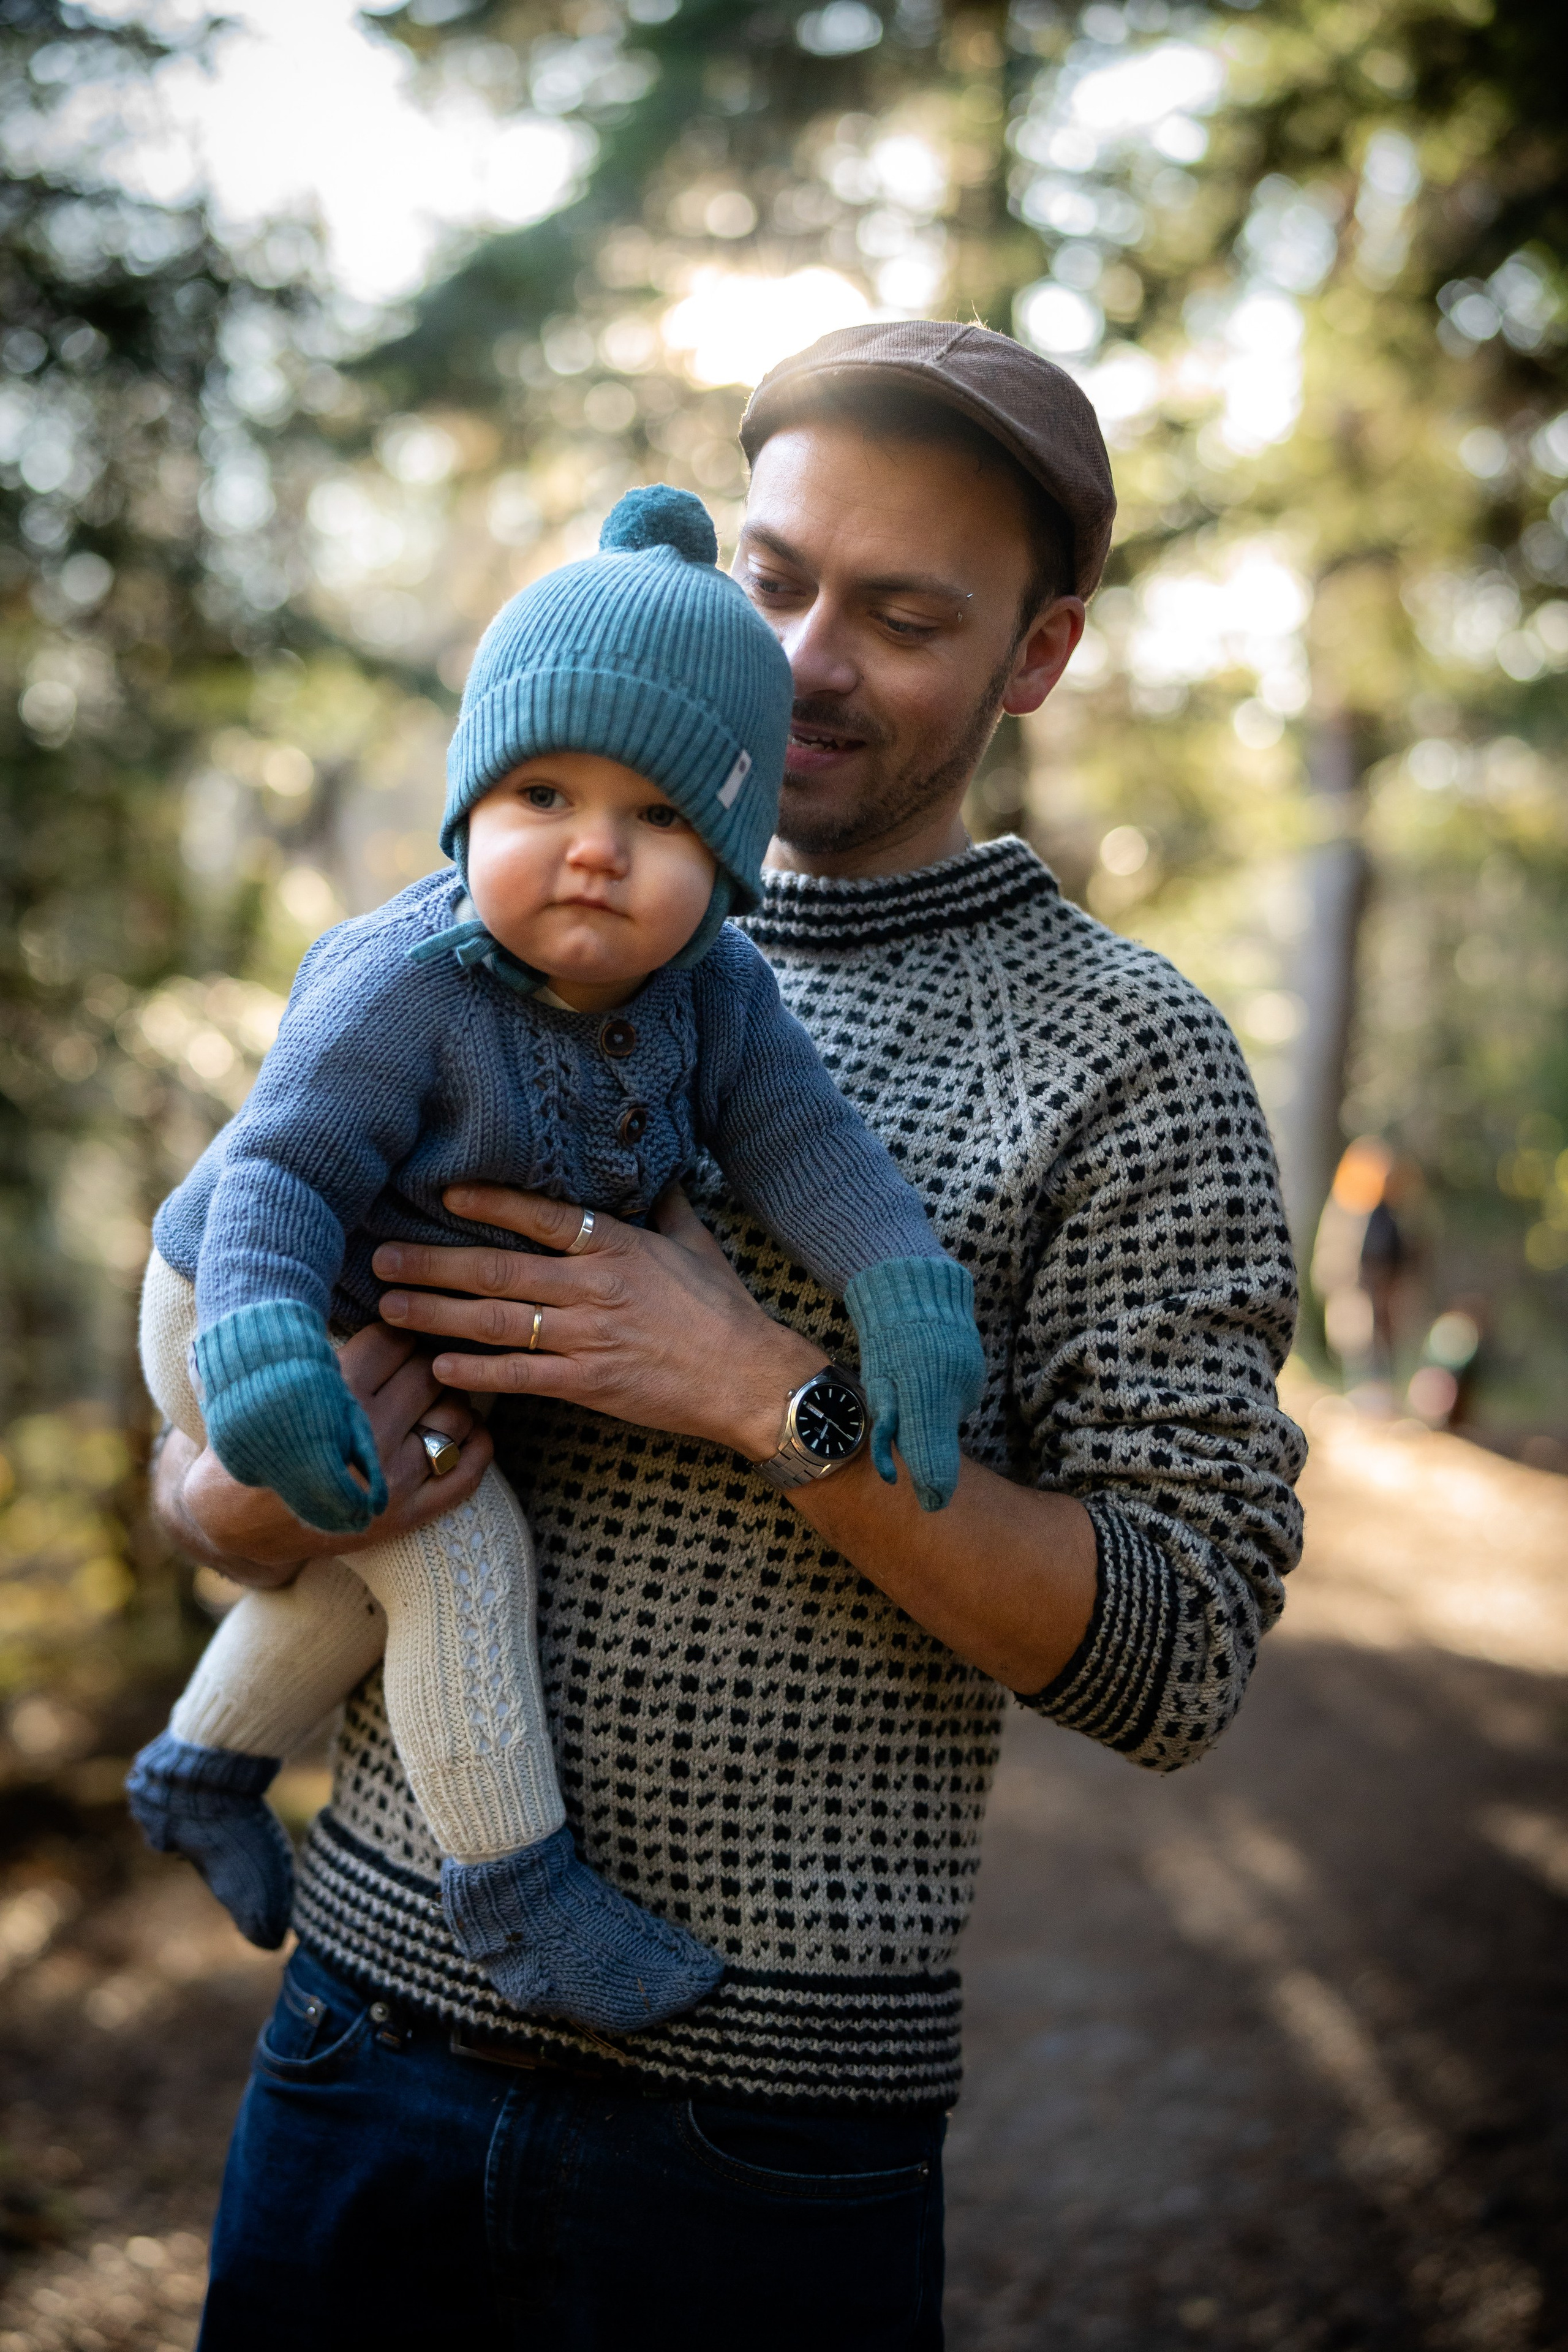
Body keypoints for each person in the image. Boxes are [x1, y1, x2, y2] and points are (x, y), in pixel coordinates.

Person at [156, 321, 1305, 2352]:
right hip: (355, 2040)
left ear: (1036, 657)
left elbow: (1184, 1643)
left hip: (765, 2136)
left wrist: (766, 1395)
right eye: (771, 580)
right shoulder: (489, 912)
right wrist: (245, 1493)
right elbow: (220, 1424)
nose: (794, 663)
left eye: (903, 614)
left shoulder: (1132, 1059)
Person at [124, 484, 982, 2037]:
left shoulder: (716, 994)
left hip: (376, 1316)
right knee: (459, 1560)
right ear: (470, 811)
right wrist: (253, 1349)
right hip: (241, 1290)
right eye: (542, 796)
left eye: (657, 817)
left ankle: (197, 1770)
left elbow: (808, 1148)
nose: (595, 853)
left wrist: (900, 1287)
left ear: (724, 858)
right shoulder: (403, 980)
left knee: (361, 1558)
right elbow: (281, 1167)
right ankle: (516, 1902)